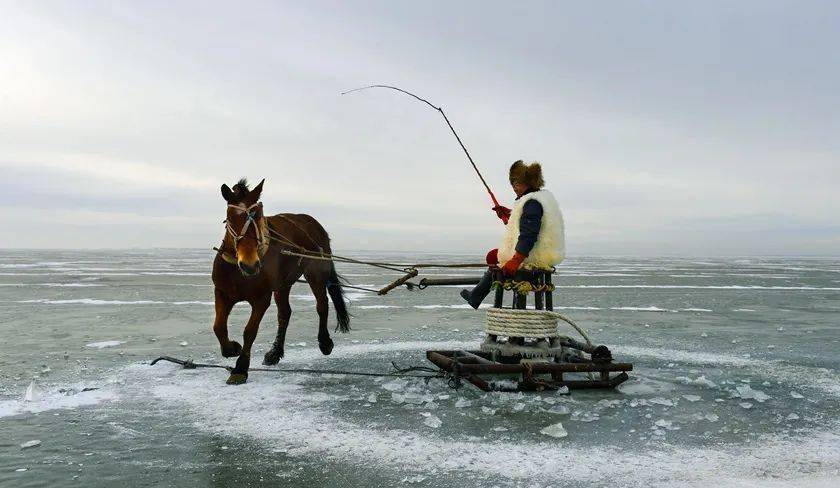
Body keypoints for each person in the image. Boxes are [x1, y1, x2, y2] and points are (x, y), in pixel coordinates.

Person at [460, 160, 565, 309]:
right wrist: (508, 215)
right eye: (513, 184)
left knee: (493, 258)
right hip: (547, 252)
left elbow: (528, 234)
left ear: (527, 182)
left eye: (516, 183)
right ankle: (476, 296)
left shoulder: (531, 203)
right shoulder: (543, 198)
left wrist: (516, 260)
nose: (514, 188)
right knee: (493, 256)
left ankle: (476, 296)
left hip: (534, 255)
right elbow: (531, 225)